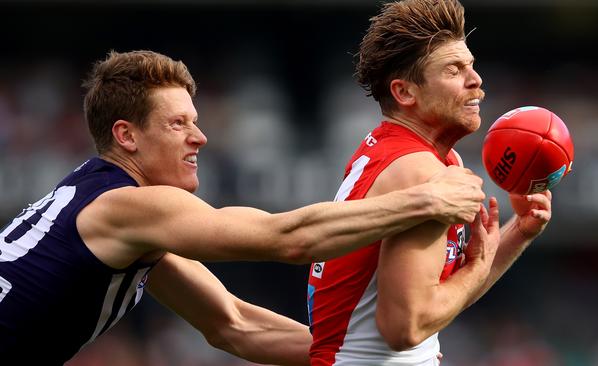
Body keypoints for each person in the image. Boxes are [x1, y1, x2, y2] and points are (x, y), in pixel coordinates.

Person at [0, 50, 487, 365]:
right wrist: (424, 199)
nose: (201, 137)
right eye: (178, 124)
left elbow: (234, 325)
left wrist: (358, 356)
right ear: (126, 136)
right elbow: (286, 238)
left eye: (196, 120)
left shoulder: (122, 219)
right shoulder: (127, 206)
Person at [306, 1, 553, 365]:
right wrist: (477, 266)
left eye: (471, 66)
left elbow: (437, 301)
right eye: (454, 70)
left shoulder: (415, 155)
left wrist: (519, 232)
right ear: (405, 93)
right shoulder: (420, 172)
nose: (476, 80)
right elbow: (403, 327)